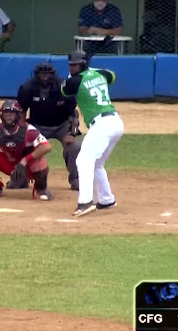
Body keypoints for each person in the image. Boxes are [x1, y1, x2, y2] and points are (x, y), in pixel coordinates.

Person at [61, 50, 124, 217]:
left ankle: (85, 202)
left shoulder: (74, 81)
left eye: (75, 65)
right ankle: (106, 199)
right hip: (115, 123)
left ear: (83, 64)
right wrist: (92, 72)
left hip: (103, 124)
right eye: (70, 65)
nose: (72, 68)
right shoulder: (99, 73)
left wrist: (82, 74)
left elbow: (65, 90)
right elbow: (112, 76)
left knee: (84, 160)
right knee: (96, 164)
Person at [13, 62, 81, 191]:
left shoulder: (63, 86)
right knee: (21, 143)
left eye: (47, 74)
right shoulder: (27, 87)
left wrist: (72, 133)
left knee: (74, 147)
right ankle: (21, 178)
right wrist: (22, 130)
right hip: (37, 125)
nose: (44, 76)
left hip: (62, 124)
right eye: (41, 73)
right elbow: (21, 110)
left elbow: (73, 113)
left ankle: (76, 178)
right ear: (36, 74)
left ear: (53, 75)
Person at [0, 99, 53, 200]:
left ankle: (41, 190)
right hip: (12, 165)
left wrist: (24, 161)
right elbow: (1, 145)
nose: (8, 116)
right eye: (6, 113)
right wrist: (12, 160)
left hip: (28, 167)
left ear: (17, 115)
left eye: (11, 113)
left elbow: (46, 146)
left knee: (40, 162)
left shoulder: (29, 130)